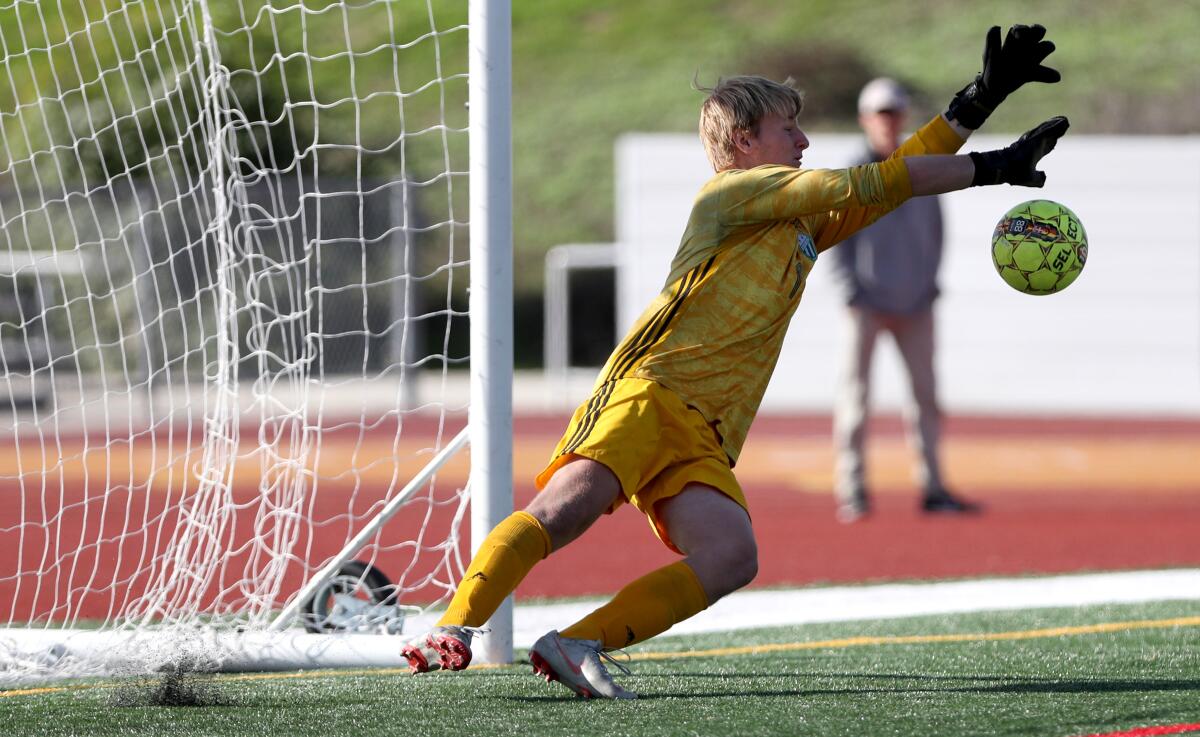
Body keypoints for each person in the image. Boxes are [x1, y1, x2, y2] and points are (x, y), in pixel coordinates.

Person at [400, 24, 1064, 699]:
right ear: (744, 141)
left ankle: (576, 643)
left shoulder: (799, 224)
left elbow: (891, 182)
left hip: (705, 429)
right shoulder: (730, 194)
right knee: (567, 508)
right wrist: (995, 166)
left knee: (730, 555)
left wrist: (979, 99)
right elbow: (877, 177)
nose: (803, 141)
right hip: (649, 391)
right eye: (789, 128)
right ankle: (454, 625)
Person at [829, 77, 980, 523]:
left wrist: (931, 283)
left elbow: (935, 231)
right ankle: (852, 489)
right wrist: (851, 291)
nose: (887, 121)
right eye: (880, 113)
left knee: (926, 398)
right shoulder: (854, 172)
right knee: (855, 398)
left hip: (917, 302)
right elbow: (836, 236)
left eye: (893, 112)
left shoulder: (920, 168)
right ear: (865, 119)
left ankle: (934, 487)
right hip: (867, 304)